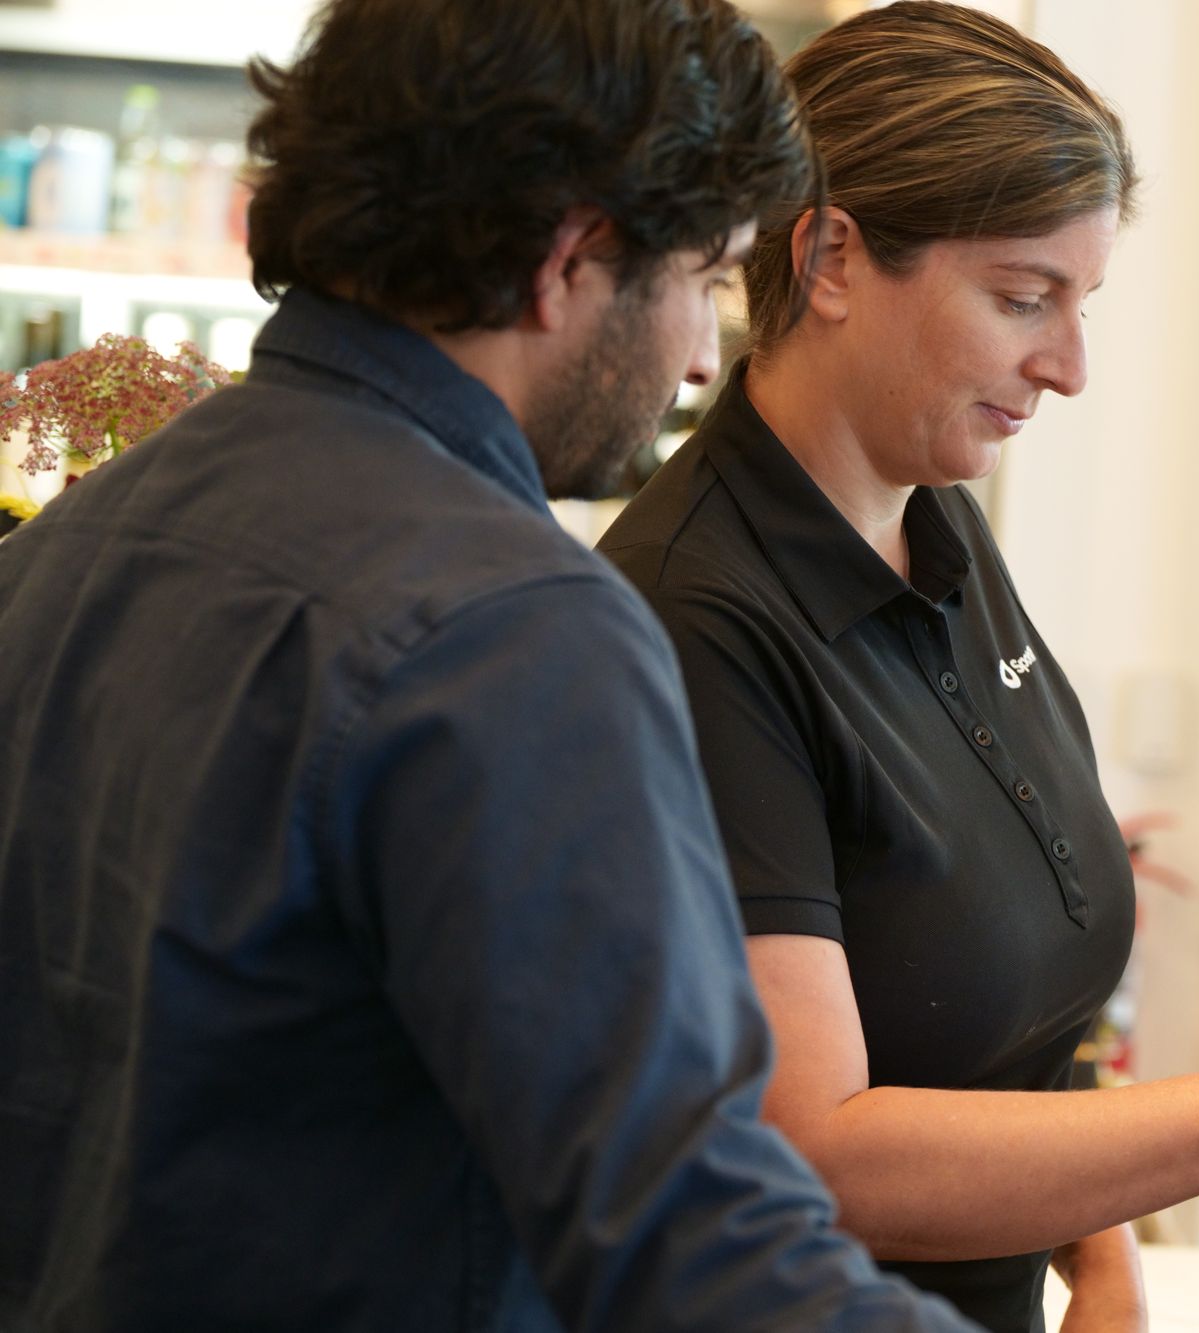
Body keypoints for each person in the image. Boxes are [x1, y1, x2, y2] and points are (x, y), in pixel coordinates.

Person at [596, 5, 1199, 1330]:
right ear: (830, 254)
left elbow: (1006, 1027)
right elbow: (814, 1148)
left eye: (1081, 301)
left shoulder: (932, 523)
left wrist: (1104, 1264)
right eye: (1022, 298)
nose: (1067, 367)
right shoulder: (695, 617)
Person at [0, 1, 978, 1328]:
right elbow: (695, 1240)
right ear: (570, 259)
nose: (703, 354)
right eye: (702, 275)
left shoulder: (63, 555)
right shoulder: (512, 632)